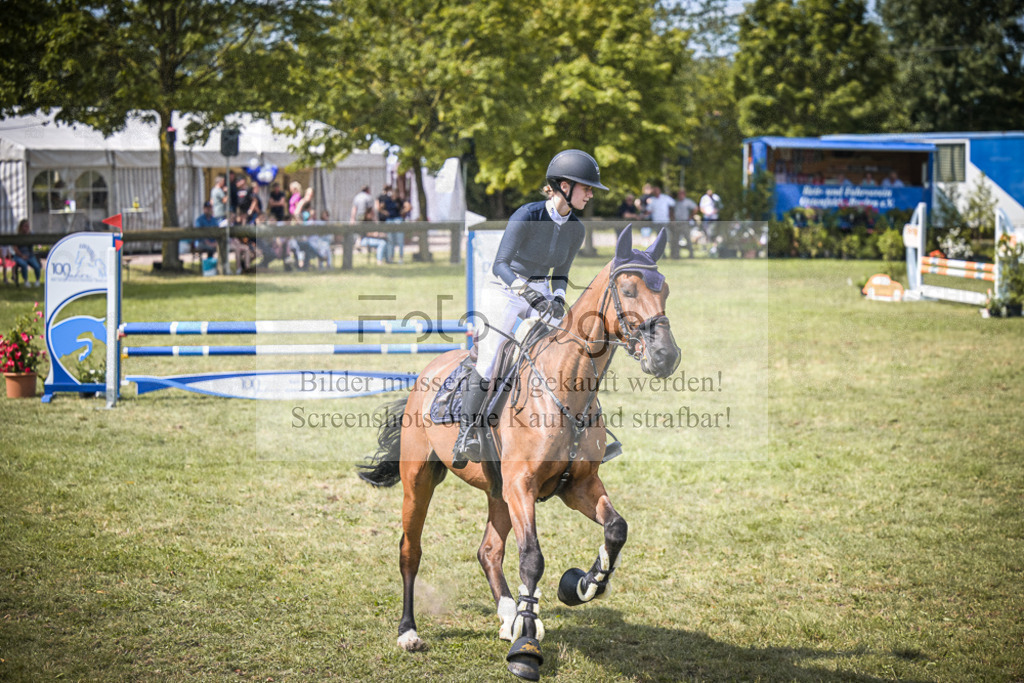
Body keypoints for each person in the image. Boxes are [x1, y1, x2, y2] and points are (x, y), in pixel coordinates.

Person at [452, 149, 608, 467]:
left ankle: (582, 431)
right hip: (505, 290)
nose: (591, 194)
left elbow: (561, 273)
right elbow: (500, 265)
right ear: (564, 186)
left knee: (569, 350)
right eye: (586, 187)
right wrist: (529, 295)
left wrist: (559, 297)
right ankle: (466, 433)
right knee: (491, 358)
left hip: (542, 292)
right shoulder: (527, 214)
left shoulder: (576, 229)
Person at [12, 219, 42, 287]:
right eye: (25, 226)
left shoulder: (31, 234)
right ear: (21, 227)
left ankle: (37, 280)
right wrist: (21, 255)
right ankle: (26, 281)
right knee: (23, 264)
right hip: (19, 255)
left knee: (37, 266)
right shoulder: (18, 236)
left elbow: (36, 242)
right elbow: (15, 248)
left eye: (28, 226)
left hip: (30, 255)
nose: (27, 227)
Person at [674, 188, 699, 258]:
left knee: (688, 239)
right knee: (676, 239)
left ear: (684, 195)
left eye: (681, 194)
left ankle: (691, 254)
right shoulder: (676, 202)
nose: (679, 196)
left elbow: (696, 208)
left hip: (684, 223)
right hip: (677, 223)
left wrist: (690, 217)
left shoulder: (688, 202)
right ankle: (676, 255)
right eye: (678, 194)